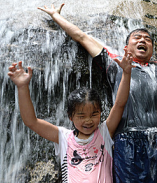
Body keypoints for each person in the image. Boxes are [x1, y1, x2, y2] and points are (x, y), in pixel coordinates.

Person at [38, 4, 157, 182]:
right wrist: (56, 16)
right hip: (128, 140)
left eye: (147, 39)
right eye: (137, 37)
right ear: (126, 46)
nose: (143, 40)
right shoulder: (114, 63)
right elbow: (82, 37)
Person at [8, 50, 134, 182]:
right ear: (70, 117)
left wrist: (126, 73)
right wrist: (22, 87)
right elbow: (31, 121)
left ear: (101, 113)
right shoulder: (64, 137)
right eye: (81, 116)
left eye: (94, 114)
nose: (88, 120)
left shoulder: (105, 132)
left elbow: (119, 104)